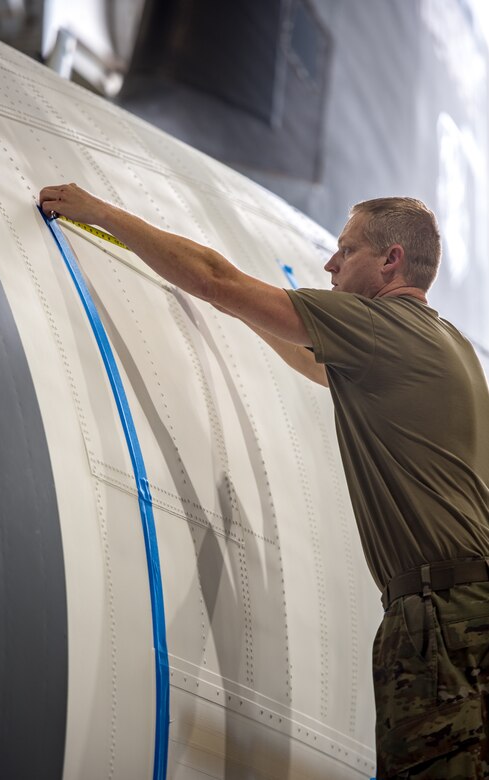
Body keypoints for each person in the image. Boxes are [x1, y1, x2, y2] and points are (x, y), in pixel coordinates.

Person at [39, 185, 489, 778]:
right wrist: (257, 317)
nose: (330, 264)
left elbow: (215, 278)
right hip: (466, 609)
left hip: (442, 620)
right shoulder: (449, 343)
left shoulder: (379, 327)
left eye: (345, 250)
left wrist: (98, 213)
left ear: (391, 261)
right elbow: (312, 361)